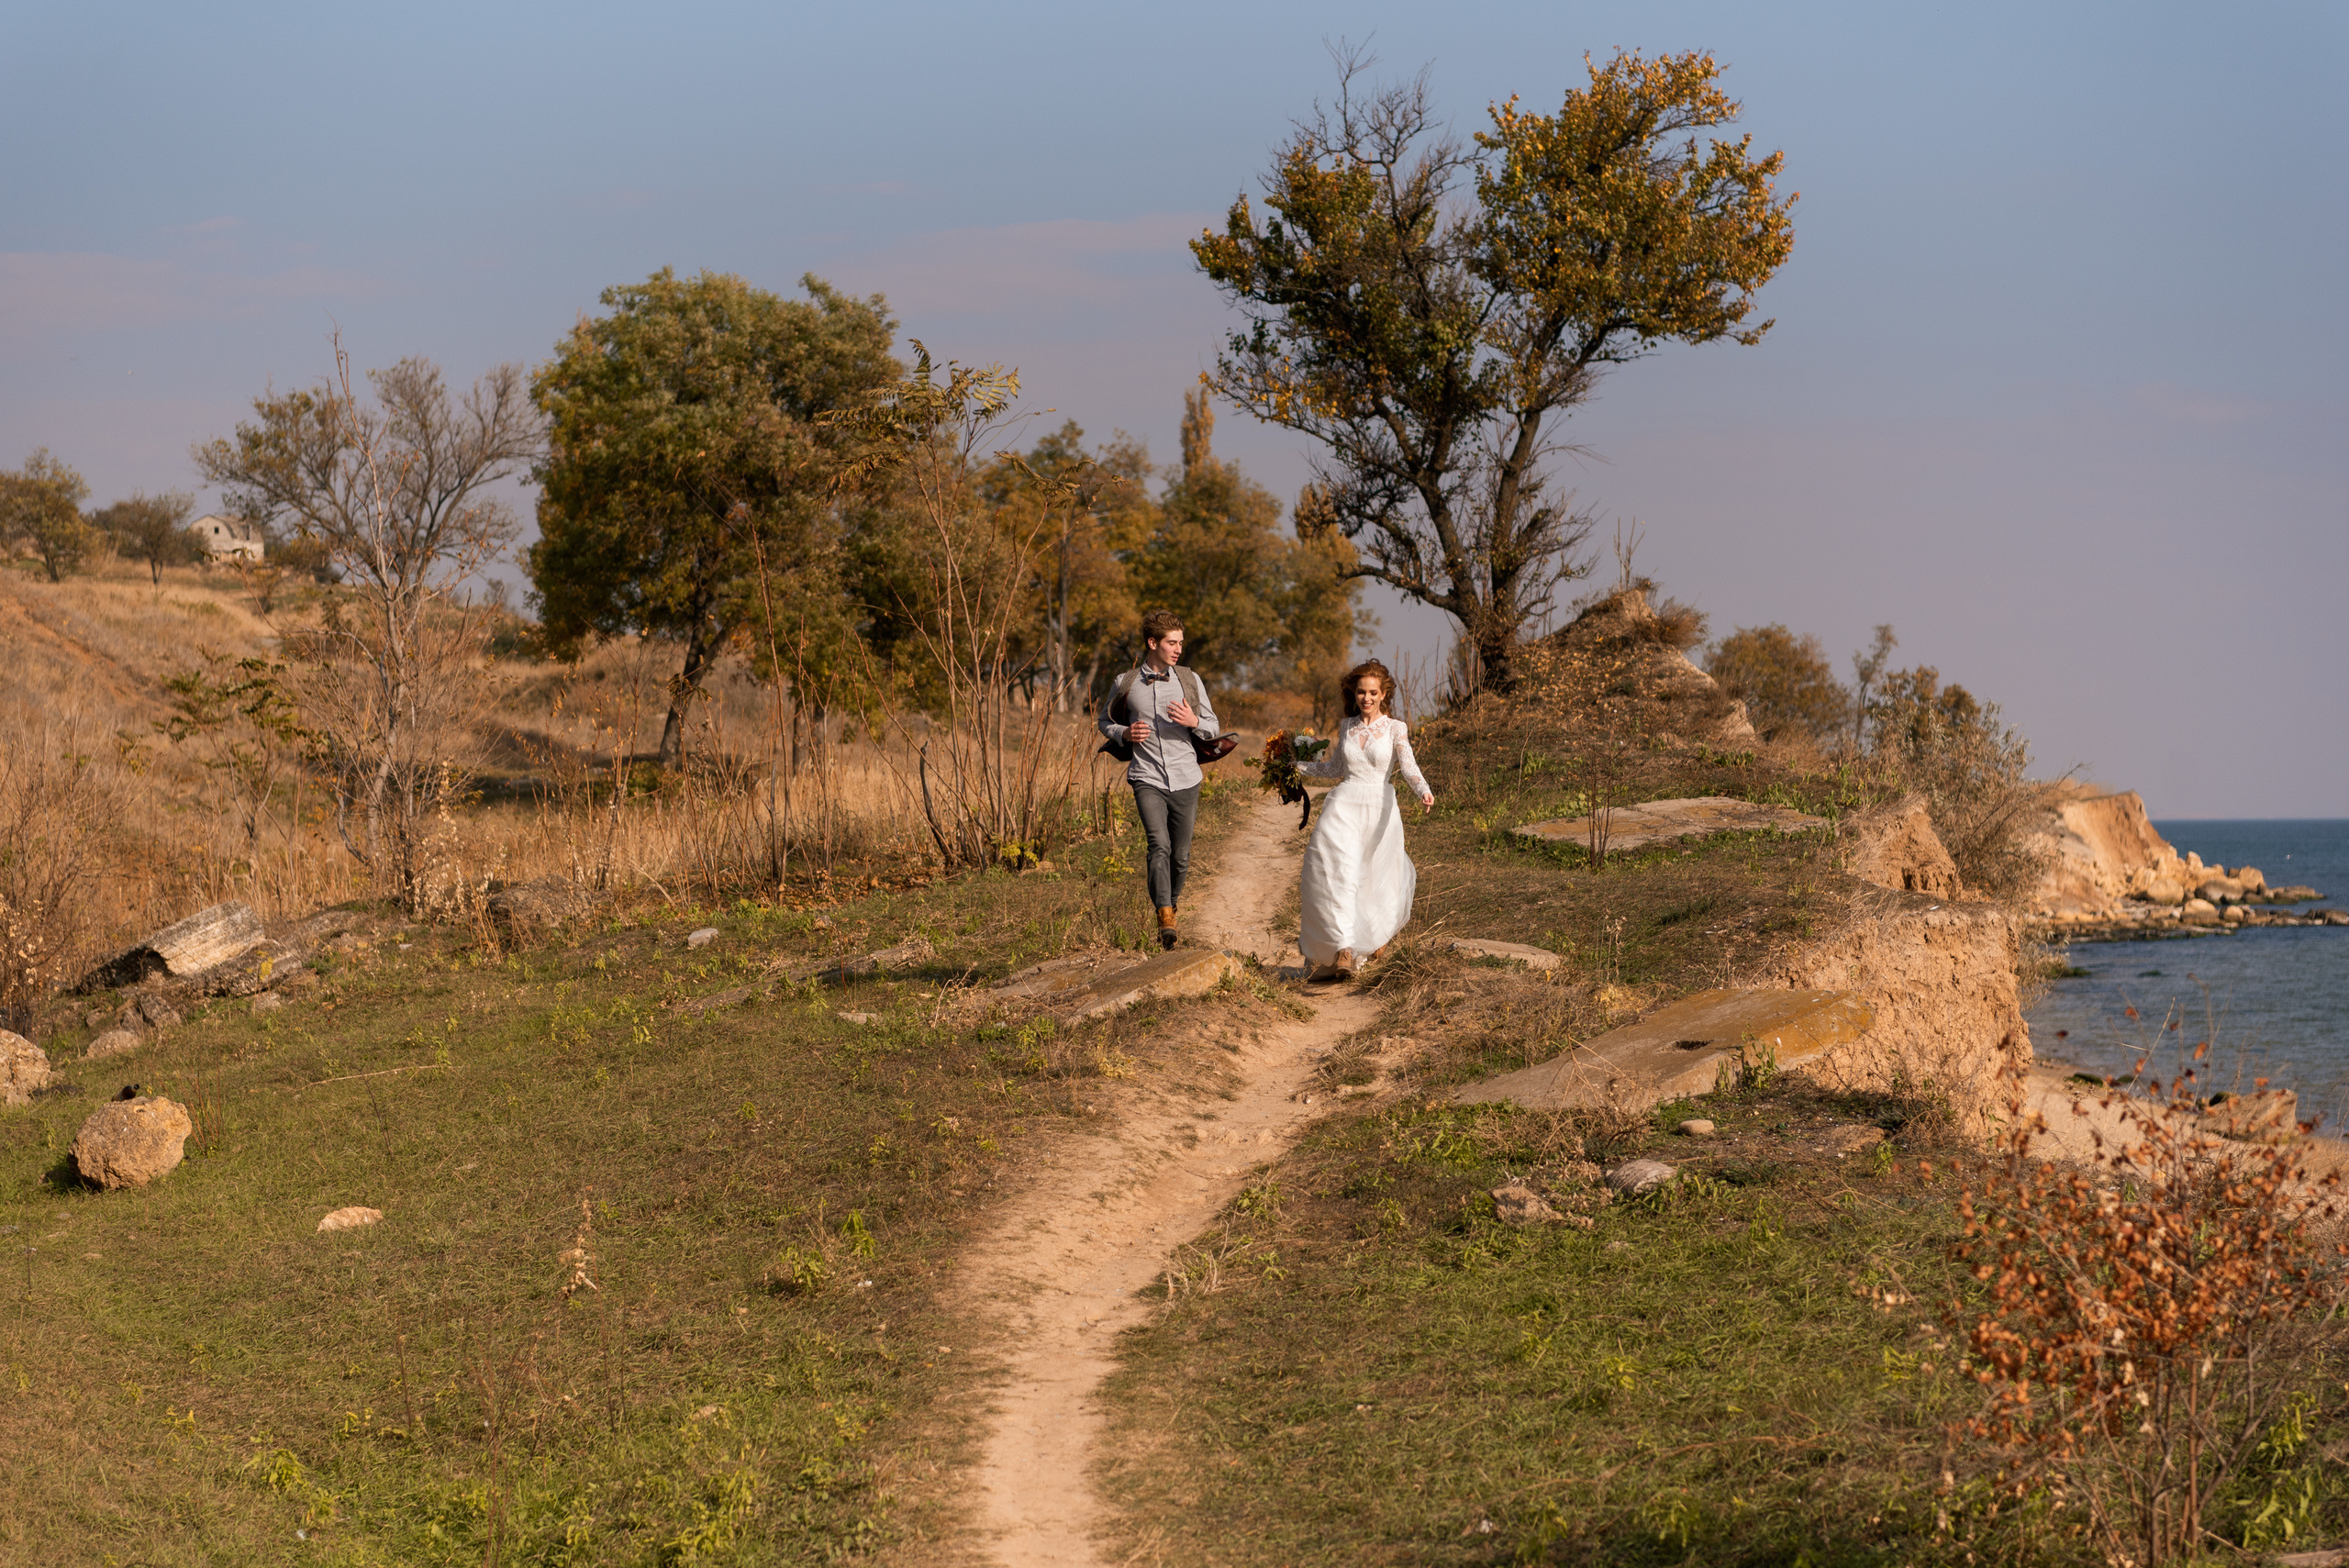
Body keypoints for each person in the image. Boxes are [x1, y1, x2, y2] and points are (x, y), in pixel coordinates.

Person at [1297, 659, 1434, 981]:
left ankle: (1374, 935)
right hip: (1344, 805)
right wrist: (1297, 766)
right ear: (1354, 693)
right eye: (1361, 692)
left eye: (1373, 692)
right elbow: (1334, 768)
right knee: (1337, 873)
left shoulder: (1396, 728)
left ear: (1384, 694)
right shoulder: (1347, 726)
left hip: (1379, 807)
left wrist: (1423, 790)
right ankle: (1343, 949)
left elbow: (1408, 765)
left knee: (1373, 878)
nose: (1366, 698)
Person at [1099, 610, 1220, 950]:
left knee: (1180, 855)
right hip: (1146, 775)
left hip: (1186, 777)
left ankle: (1172, 903)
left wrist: (1193, 721)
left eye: (1181, 643)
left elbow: (1212, 726)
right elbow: (1104, 722)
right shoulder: (1125, 682)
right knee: (1158, 844)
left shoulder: (1190, 680)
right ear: (1153, 643)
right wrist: (1125, 732)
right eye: (1172, 642)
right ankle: (1164, 914)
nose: (1178, 649)